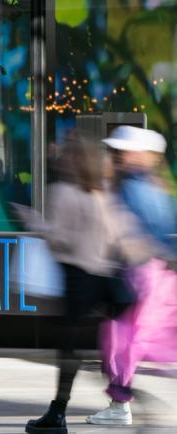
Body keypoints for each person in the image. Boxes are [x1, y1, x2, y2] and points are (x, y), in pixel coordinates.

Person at [19, 133, 159, 434]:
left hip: (78, 279)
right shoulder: (105, 192)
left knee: (68, 348)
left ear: (75, 158)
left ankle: (57, 414)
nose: (63, 156)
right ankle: (128, 396)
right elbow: (124, 236)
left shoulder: (63, 192)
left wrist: (35, 223)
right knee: (102, 346)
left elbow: (60, 240)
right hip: (107, 281)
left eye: (69, 153)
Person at [86, 126, 177, 426]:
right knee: (135, 339)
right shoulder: (157, 188)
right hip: (154, 274)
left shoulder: (129, 188)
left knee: (120, 340)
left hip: (132, 274)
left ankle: (119, 404)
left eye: (121, 151)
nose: (116, 156)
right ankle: (119, 400)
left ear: (141, 155)